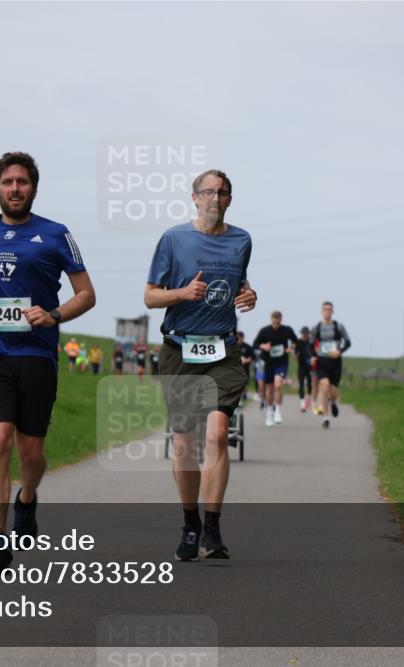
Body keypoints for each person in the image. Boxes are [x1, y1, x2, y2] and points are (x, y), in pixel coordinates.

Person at [0, 151, 96, 570]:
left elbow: (87, 294)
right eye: (8, 183)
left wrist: (53, 315)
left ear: (33, 188)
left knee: (31, 453)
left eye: (23, 182)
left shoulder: (55, 234)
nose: (15, 189)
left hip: (37, 353)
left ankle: (27, 498)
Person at [144, 168, 256, 561]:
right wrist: (183, 292)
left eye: (223, 193)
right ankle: (190, 522)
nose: (215, 198)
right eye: (209, 192)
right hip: (180, 350)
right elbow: (150, 297)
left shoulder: (242, 240)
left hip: (222, 351)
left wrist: (249, 295)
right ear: (194, 197)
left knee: (218, 434)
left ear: (229, 199)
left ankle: (213, 525)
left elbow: (238, 285)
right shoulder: (173, 239)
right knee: (186, 444)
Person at [252, 311, 298, 427]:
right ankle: (269, 412)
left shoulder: (287, 330)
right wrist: (264, 346)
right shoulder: (265, 331)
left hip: (281, 362)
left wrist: (290, 348)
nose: (276, 323)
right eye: (274, 320)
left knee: (278, 384)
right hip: (268, 362)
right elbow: (255, 344)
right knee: (270, 388)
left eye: (278, 321)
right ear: (271, 319)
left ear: (281, 319)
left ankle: (277, 410)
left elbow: (295, 341)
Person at [313, 301, 351, 430]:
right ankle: (325, 418)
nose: (327, 311)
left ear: (333, 311)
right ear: (322, 311)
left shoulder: (338, 327)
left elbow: (348, 342)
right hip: (322, 361)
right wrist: (313, 356)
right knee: (324, 386)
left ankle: (333, 401)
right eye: (325, 309)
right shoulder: (317, 327)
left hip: (335, 362)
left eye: (329, 309)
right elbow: (310, 345)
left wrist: (339, 351)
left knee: (333, 390)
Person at [295, 326, 313, 412]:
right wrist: (295, 356)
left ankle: (308, 399)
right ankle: (302, 404)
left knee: (309, 384)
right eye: (303, 333)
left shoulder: (311, 342)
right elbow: (295, 353)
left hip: (310, 366)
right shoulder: (298, 342)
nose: (304, 335)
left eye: (306, 333)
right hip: (301, 366)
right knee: (301, 384)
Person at [237, 331, 254, 402]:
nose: (238, 340)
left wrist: (245, 361)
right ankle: (238, 398)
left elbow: (252, 358)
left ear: (242, 338)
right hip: (236, 369)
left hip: (245, 369)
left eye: (239, 338)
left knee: (244, 384)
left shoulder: (248, 347)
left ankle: (244, 395)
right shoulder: (232, 347)